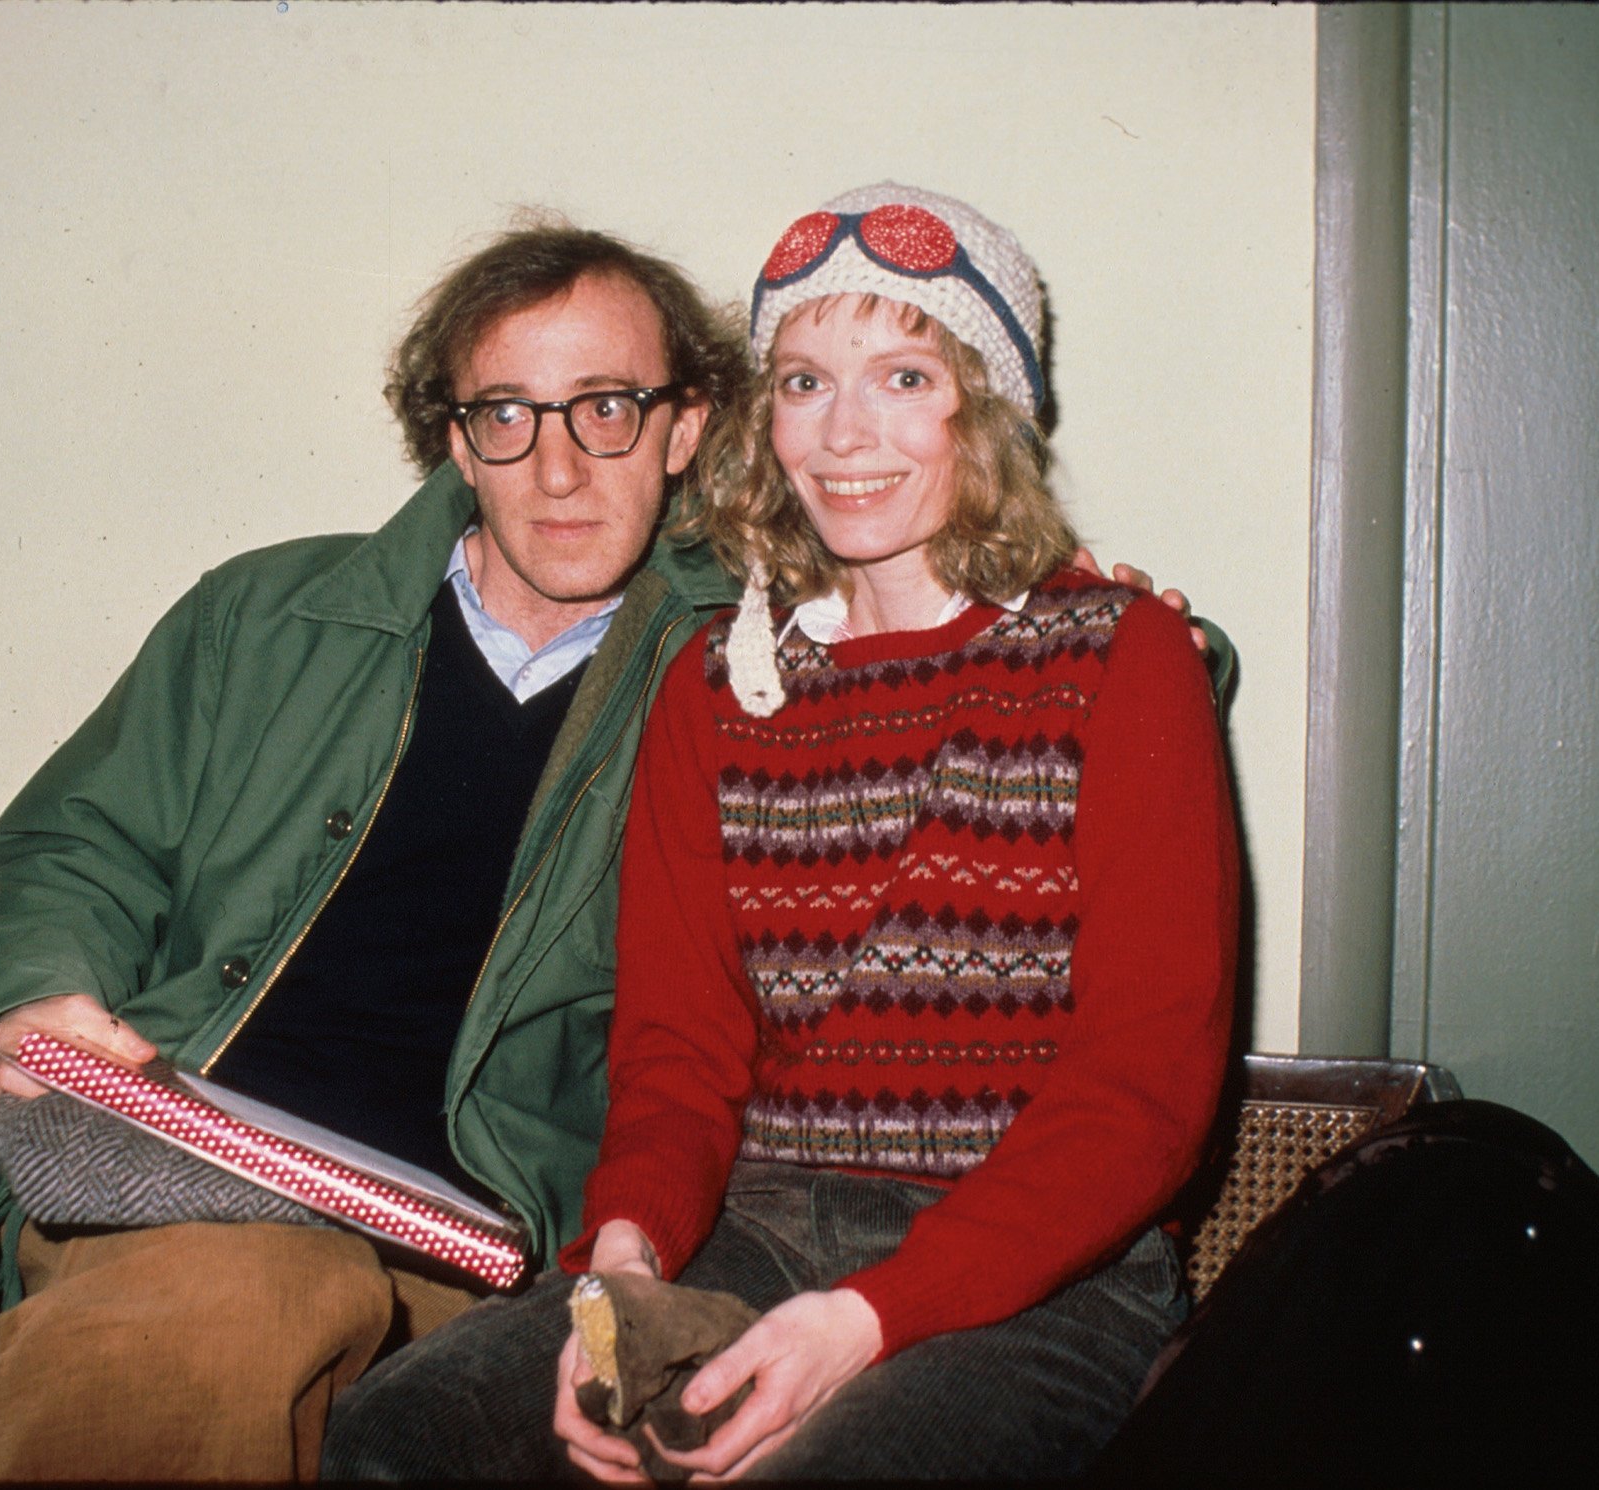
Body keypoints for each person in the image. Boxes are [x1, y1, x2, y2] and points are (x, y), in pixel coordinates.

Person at [0, 212, 1216, 1483]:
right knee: (221, 1310)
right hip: (200, 1174)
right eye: (505, 414)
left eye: (606, 410)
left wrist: (1133, 624)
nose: (557, 467)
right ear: (452, 440)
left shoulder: (712, 656)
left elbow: (972, 659)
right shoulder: (263, 620)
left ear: (685, 427)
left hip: (477, 1223)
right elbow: (75, 843)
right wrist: (33, 988)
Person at [322, 183, 1240, 1482]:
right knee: (403, 1434)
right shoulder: (717, 683)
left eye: (904, 375)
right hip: (750, 1238)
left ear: (988, 400)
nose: (845, 432)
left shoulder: (1121, 655)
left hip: (1047, 1271)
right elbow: (677, 1053)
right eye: (804, 381)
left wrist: (866, 1320)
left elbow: (1142, 1090)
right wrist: (625, 1260)